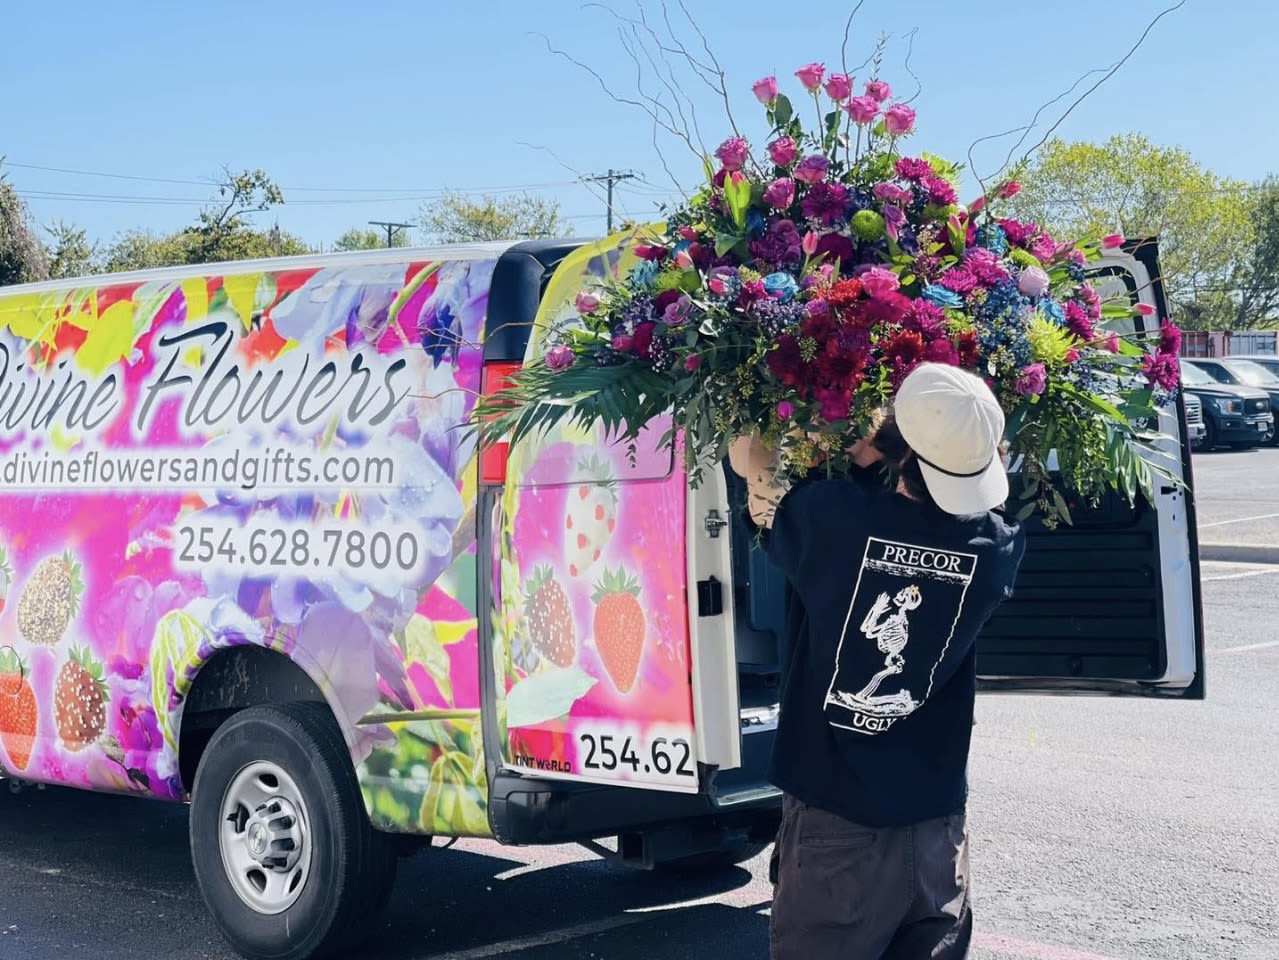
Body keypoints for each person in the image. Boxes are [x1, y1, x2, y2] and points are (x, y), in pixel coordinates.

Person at [728, 362, 1028, 960]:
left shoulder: (833, 520)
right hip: (939, 834)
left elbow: (750, 459)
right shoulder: (998, 548)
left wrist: (863, 444)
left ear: (903, 451)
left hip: (840, 830)